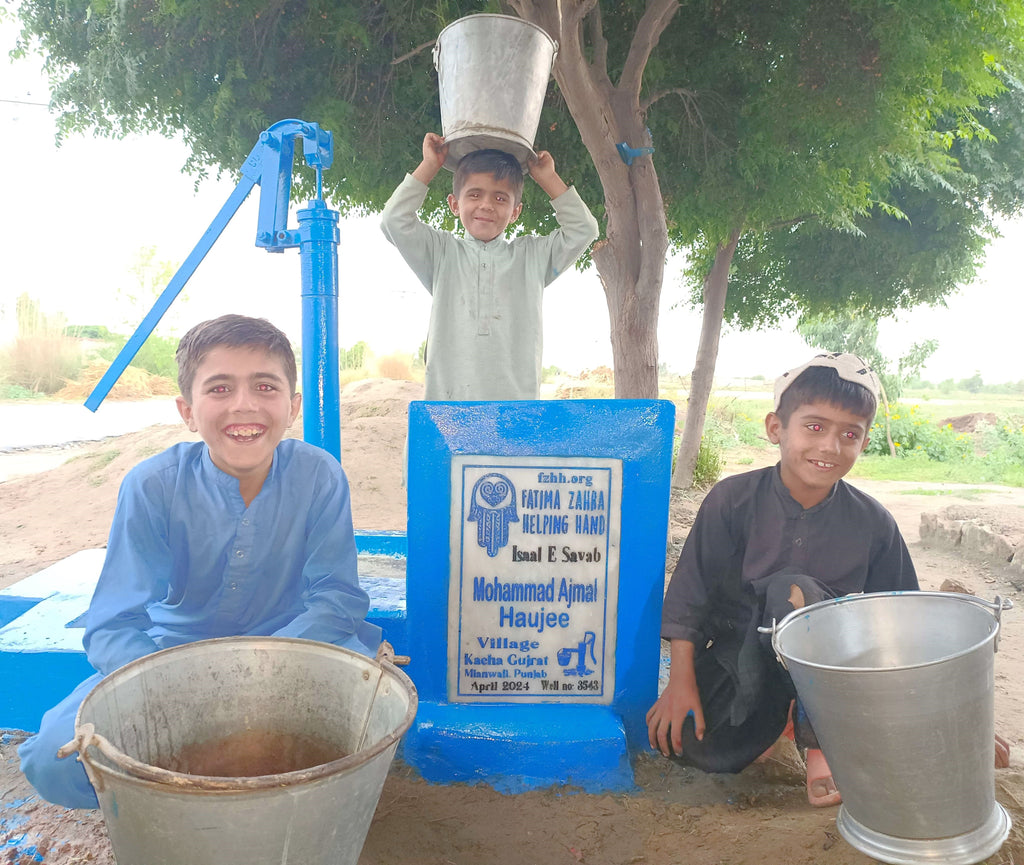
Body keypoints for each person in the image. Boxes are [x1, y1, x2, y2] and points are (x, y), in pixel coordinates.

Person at [18, 314, 382, 809]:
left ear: (292, 406)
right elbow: (112, 622)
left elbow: (337, 595)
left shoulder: (319, 476)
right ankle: (179, 808)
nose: (244, 405)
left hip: (292, 645)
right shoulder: (152, 485)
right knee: (54, 762)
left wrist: (262, 667)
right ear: (187, 410)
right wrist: (174, 683)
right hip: (175, 652)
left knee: (364, 721)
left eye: (265, 386)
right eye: (219, 388)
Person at [646, 352, 920, 807]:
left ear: (864, 442)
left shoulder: (873, 523)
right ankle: (780, 716)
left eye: (849, 434)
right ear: (777, 428)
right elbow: (690, 594)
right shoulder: (732, 500)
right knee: (695, 748)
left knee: (792, 589)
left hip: (834, 674)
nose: (830, 446)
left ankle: (821, 743)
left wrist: (955, 712)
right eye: (815, 426)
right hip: (745, 656)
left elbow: (906, 616)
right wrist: (680, 683)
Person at [381, 132, 599, 401]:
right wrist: (430, 165)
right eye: (474, 194)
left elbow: (584, 229)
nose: (486, 205)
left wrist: (548, 178)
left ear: (515, 212)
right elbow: (394, 220)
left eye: (500, 198)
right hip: (447, 413)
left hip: (515, 415)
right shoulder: (441, 252)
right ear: (454, 204)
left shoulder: (533, 256)